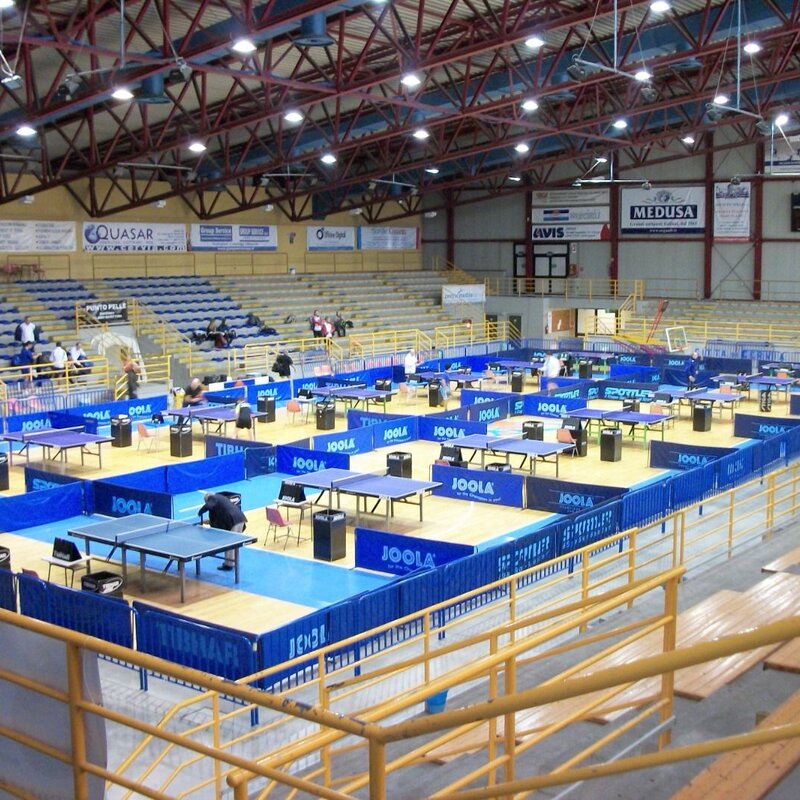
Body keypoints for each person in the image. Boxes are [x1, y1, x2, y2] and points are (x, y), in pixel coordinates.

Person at [197, 492, 248, 571]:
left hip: (233, 521)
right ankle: (233, 562)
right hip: (241, 519)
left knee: (229, 544)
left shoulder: (213, 499)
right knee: (235, 544)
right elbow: (220, 516)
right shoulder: (221, 498)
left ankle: (229, 565)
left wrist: (200, 512)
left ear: (208, 499)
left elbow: (208, 506)